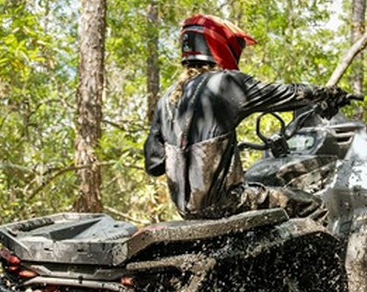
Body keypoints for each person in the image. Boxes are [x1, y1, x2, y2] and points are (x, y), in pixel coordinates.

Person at [143, 13, 349, 221]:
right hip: (228, 203)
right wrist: (326, 94)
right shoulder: (225, 83)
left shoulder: (167, 98)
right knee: (312, 206)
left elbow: (154, 165)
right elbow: (286, 94)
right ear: (219, 45)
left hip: (186, 213)